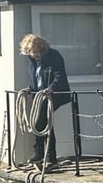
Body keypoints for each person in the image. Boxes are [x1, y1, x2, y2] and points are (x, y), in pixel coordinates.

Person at [19, 34, 70, 170]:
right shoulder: (32, 60)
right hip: (40, 95)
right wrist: (29, 89)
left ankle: (41, 153)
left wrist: (51, 89)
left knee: (39, 122)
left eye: (33, 52)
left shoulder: (54, 56)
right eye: (29, 53)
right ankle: (49, 157)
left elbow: (60, 76)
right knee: (45, 124)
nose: (33, 56)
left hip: (54, 95)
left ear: (40, 49)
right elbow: (36, 77)